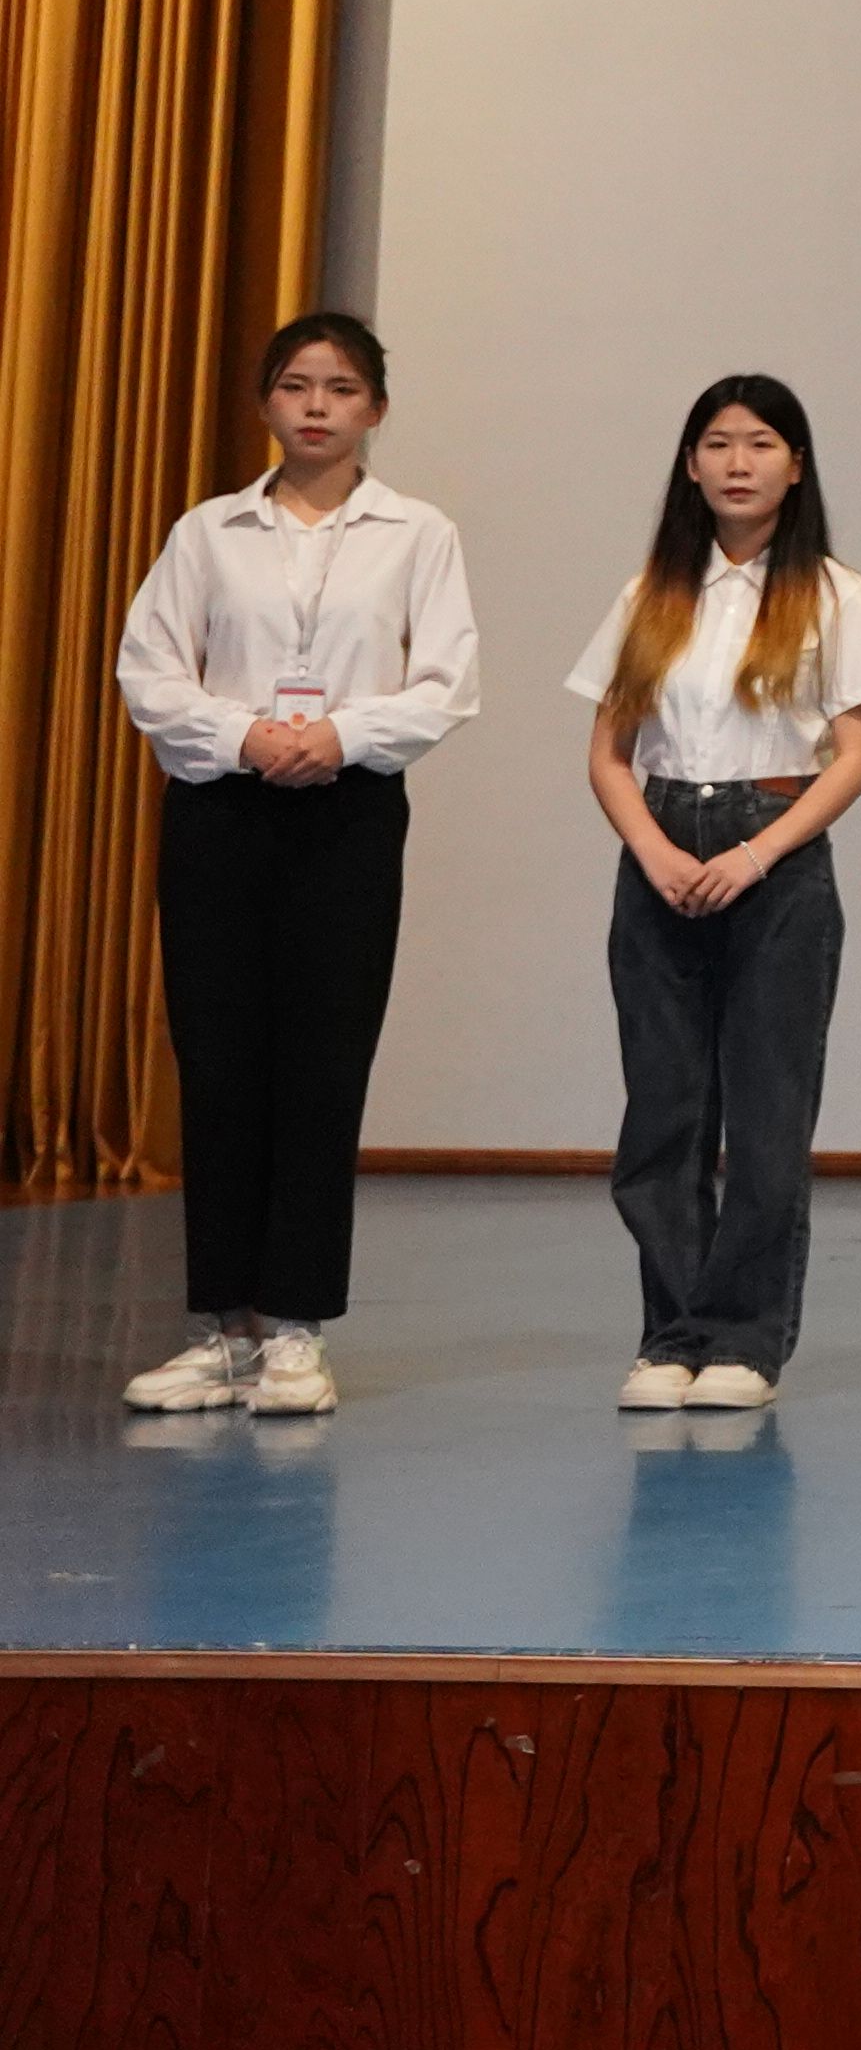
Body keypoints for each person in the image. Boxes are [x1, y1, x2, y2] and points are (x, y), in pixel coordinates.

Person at [110, 313, 479, 1419]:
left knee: (323, 1063)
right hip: (220, 809)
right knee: (219, 1061)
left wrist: (340, 734)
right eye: (296, 385)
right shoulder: (208, 531)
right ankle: (221, 1331)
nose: (317, 406)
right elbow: (148, 669)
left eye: (342, 387)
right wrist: (244, 735)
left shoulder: (418, 533)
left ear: (376, 408)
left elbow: (446, 682)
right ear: (266, 402)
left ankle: (296, 1334)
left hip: (348, 813)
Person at [571, 373, 861, 1414]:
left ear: (796, 466)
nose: (738, 462)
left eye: (760, 443)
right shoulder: (651, 594)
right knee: (663, 1110)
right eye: (717, 443)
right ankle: (670, 1335)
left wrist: (756, 856)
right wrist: (655, 851)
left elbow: (854, 756)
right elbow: (609, 754)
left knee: (766, 1114)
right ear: (691, 464)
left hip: (777, 854)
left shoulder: (837, 594)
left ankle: (747, 1341)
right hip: (661, 848)